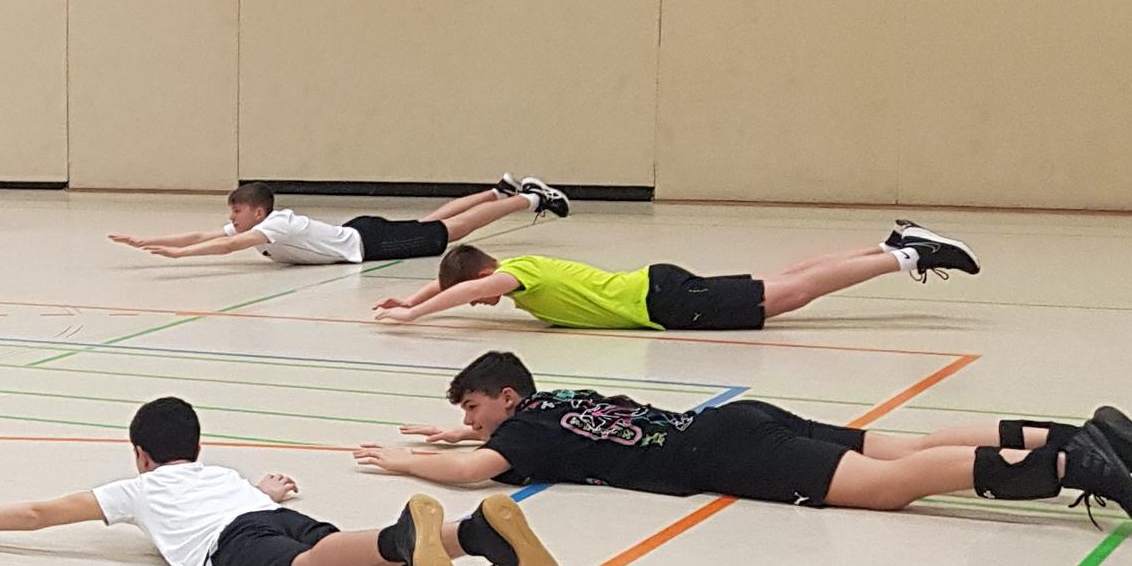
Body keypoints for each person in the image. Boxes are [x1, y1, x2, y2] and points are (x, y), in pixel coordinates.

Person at [0, 397, 564, 566]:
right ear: (195, 447)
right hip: (279, 519)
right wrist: (266, 491)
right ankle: (469, 533)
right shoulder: (222, 476)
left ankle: (402, 535)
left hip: (230, 545)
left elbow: (39, 513)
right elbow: (255, 504)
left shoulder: (139, 489)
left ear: (140, 455)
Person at [359, 352, 1132, 520]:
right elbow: (513, 434)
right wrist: (456, 432)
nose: (470, 421)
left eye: (473, 407)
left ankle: (1067, 465)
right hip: (736, 420)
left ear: (507, 399)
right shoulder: (557, 399)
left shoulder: (524, 437)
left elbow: (474, 474)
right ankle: (1077, 430)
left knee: (889, 488)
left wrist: (407, 460)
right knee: (902, 445)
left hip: (723, 455)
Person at [374, 221, 981, 329]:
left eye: (471, 292)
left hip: (660, 301)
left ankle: (912, 257)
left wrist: (416, 312)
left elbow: (474, 287)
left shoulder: (514, 276)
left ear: (483, 273)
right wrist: (413, 295)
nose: (476, 303)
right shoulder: (517, 275)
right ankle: (889, 247)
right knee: (783, 278)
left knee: (788, 294)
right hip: (658, 287)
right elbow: (464, 283)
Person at [108, 176, 565, 265]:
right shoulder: (261, 225)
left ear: (258, 212)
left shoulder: (275, 227)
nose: (231, 218)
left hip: (370, 243)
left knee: (449, 231)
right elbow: (205, 234)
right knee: (429, 222)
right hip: (362, 231)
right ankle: (498, 191)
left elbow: (224, 246)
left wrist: (179, 256)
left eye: (237, 210)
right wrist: (148, 240)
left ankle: (527, 199)